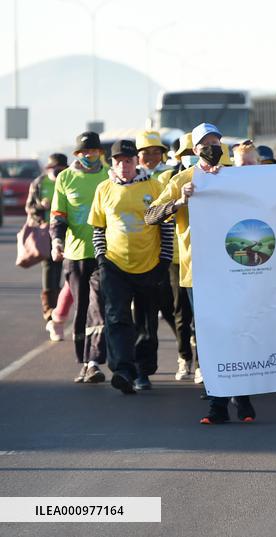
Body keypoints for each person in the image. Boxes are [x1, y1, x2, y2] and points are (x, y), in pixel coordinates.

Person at [146, 122, 257, 424]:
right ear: (194, 150)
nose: (213, 147)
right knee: (210, 339)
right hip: (199, 274)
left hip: (237, 270)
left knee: (238, 333)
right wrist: (179, 201)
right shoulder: (182, 179)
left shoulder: (236, 176)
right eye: (206, 143)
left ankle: (243, 400)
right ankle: (217, 405)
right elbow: (150, 216)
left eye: (217, 141)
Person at [89, 139, 174, 394]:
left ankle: (143, 372)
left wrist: (164, 261)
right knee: (116, 318)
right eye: (118, 161)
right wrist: (101, 258)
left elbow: (166, 226)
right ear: (111, 163)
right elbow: (98, 229)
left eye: (128, 161)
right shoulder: (104, 189)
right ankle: (123, 370)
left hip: (150, 264)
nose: (123, 166)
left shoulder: (154, 186)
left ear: (136, 161)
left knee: (147, 323)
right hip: (115, 265)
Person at [50, 131, 110, 384]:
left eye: (92, 151)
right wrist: (57, 241)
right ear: (77, 154)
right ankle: (84, 362)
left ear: (100, 153)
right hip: (75, 254)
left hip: (105, 253)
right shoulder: (65, 178)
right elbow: (58, 216)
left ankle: (95, 361)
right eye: (83, 152)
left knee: (99, 308)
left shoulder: (111, 175)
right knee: (82, 307)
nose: (88, 155)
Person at [158, 132, 197, 382]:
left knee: (206, 318)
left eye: (195, 153)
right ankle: (184, 358)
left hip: (211, 260)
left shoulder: (221, 177)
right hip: (177, 256)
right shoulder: (170, 179)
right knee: (181, 312)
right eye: (187, 154)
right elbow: (153, 215)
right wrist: (179, 202)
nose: (191, 158)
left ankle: (205, 364)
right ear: (179, 157)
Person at [136, 130, 178, 344]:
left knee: (170, 307)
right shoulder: (127, 178)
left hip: (165, 250)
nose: (151, 157)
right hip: (138, 252)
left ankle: (187, 348)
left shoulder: (171, 175)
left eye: (156, 152)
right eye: (146, 153)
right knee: (141, 314)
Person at [26, 153, 68, 340]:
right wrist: (41, 208)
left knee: (69, 274)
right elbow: (29, 208)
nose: (58, 173)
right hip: (46, 234)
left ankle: (62, 314)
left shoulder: (68, 180)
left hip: (68, 234)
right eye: (55, 169)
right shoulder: (39, 184)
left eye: (61, 169)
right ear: (48, 169)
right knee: (50, 272)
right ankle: (50, 313)